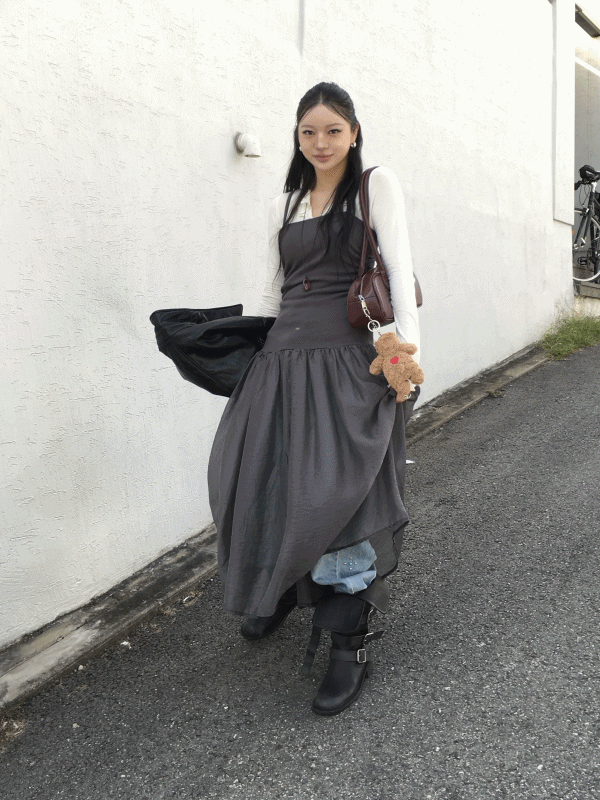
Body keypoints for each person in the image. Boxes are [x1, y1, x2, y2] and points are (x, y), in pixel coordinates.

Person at [207, 82, 421, 716]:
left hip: (346, 361)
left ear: (353, 133)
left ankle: (348, 643)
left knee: (337, 489)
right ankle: (278, 587)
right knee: (258, 476)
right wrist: (250, 348)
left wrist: (405, 357)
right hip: (282, 360)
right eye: (309, 132)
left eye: (333, 130)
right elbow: (272, 288)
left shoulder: (374, 186)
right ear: (297, 138)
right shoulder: (287, 199)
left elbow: (399, 272)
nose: (321, 142)